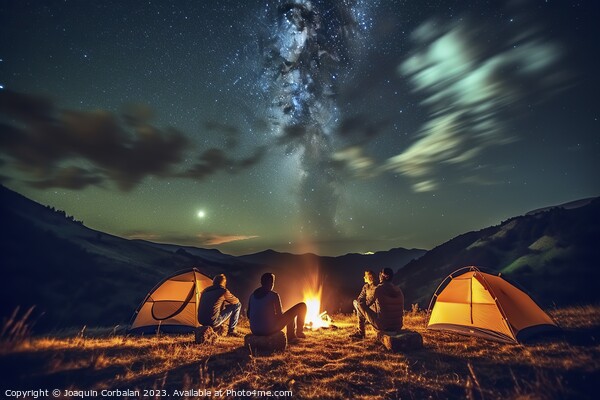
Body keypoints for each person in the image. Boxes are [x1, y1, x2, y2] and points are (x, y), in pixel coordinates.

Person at [247, 272, 307, 341]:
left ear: (261, 282)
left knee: (289, 314)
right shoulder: (273, 295)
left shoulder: (252, 296)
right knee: (302, 306)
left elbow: (248, 315)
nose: (272, 285)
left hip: (254, 330)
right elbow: (280, 316)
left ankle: (291, 335)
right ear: (272, 283)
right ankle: (299, 333)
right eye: (272, 282)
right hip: (268, 329)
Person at [350, 267, 404, 339]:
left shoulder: (379, 289)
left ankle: (361, 332)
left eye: (380, 275)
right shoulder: (398, 290)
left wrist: (360, 301)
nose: (379, 277)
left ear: (385, 277)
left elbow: (366, 304)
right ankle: (361, 331)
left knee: (358, 304)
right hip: (397, 326)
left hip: (384, 326)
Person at [352, 270, 377, 337]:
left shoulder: (377, 288)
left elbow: (372, 300)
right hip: (365, 307)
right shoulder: (366, 287)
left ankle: (361, 332)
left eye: (365, 276)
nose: (364, 277)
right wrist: (362, 304)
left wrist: (364, 305)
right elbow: (360, 297)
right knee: (356, 303)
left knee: (358, 306)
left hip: (373, 310)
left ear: (370, 277)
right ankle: (362, 329)